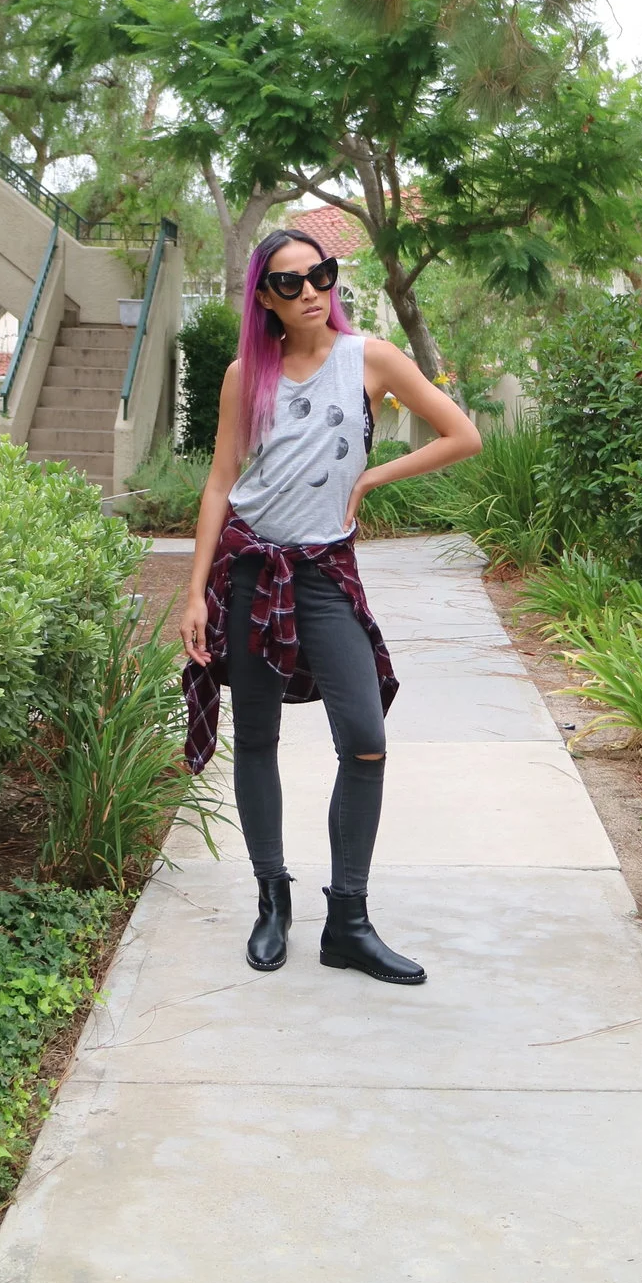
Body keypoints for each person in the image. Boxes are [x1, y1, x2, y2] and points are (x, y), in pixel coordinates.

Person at [180, 228, 481, 985]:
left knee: (366, 738)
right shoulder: (247, 373)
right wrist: (194, 592)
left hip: (323, 572)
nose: (311, 291)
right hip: (251, 570)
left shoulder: (369, 359)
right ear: (264, 297)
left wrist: (373, 480)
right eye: (290, 283)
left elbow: (462, 434)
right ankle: (272, 900)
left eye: (321, 275)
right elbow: (220, 481)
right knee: (257, 738)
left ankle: (347, 918)